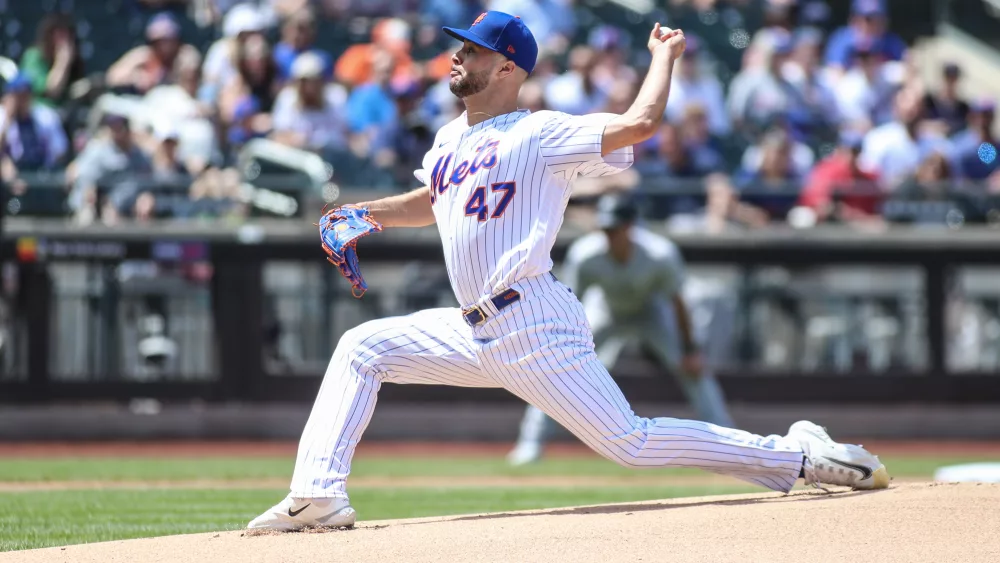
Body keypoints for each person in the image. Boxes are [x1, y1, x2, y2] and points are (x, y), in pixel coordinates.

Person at [247, 11, 889, 533]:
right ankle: (319, 496)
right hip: (470, 330)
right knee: (360, 347)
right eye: (460, 47)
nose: (456, 57)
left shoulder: (539, 133)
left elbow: (639, 124)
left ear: (507, 67)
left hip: (531, 324)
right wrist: (368, 213)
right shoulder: (448, 140)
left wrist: (663, 58)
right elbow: (432, 202)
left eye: (470, 50)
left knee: (631, 444)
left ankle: (801, 456)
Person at [507, 193, 734, 465]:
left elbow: (677, 303)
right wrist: (558, 345)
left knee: (693, 369)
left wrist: (690, 349)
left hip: (652, 312)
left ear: (630, 226)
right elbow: (569, 301)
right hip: (605, 309)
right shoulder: (586, 254)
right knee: (556, 367)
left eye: (616, 228)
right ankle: (530, 444)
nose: (610, 235)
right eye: (606, 229)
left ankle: (727, 439)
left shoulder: (659, 254)